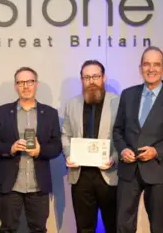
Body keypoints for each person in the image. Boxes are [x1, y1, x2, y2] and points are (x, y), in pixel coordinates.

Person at [113, 46, 163, 233]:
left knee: (158, 226)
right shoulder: (128, 94)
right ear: (140, 68)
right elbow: (118, 130)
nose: (151, 69)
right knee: (123, 225)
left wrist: (157, 151)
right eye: (147, 64)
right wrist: (123, 150)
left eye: (156, 64)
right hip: (128, 171)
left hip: (158, 171)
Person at [0, 67, 62, 233]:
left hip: (38, 185)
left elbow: (57, 146)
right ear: (15, 86)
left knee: (39, 229)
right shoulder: (1, 112)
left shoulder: (50, 113)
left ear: (36, 84)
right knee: (7, 229)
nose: (25, 86)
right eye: (21, 82)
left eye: (29, 82)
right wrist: (11, 148)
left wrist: (40, 150)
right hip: (11, 184)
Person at [62, 60, 119, 233]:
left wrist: (114, 158)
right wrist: (69, 155)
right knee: (84, 227)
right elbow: (66, 134)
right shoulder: (72, 104)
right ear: (82, 80)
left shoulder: (118, 102)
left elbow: (125, 136)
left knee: (114, 225)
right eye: (87, 77)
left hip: (110, 174)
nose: (91, 81)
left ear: (103, 78)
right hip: (81, 176)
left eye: (95, 76)